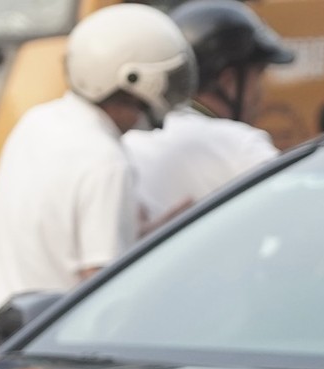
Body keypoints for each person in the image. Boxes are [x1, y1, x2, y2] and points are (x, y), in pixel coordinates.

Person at [0, 4, 194, 357]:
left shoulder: (36, 123)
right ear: (136, 81)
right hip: (45, 365)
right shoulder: (105, 162)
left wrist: (146, 239)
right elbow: (100, 293)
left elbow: (54, 239)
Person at [124, 0, 296, 233]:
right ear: (229, 81)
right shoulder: (240, 146)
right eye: (258, 76)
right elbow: (298, 221)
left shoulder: (132, 137)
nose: (261, 93)